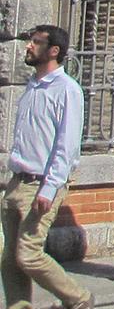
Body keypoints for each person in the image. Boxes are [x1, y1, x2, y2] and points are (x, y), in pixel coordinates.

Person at [4, 24, 90, 309]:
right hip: (18, 181)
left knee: (28, 254)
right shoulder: (32, 86)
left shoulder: (68, 90)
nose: (29, 46)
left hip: (41, 185)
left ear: (53, 50)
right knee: (8, 257)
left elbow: (66, 146)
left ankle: (78, 299)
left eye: (36, 42)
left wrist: (50, 187)